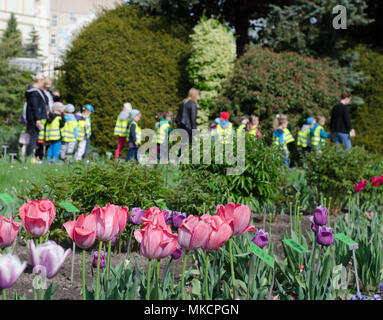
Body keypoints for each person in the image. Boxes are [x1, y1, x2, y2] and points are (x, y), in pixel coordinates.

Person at [25, 74, 48, 162]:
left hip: (34, 117)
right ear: (39, 81)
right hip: (35, 118)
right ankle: (29, 157)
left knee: (34, 137)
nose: (44, 84)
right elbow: (35, 107)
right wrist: (38, 119)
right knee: (34, 138)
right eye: (43, 82)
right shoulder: (34, 92)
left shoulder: (35, 91)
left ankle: (30, 157)